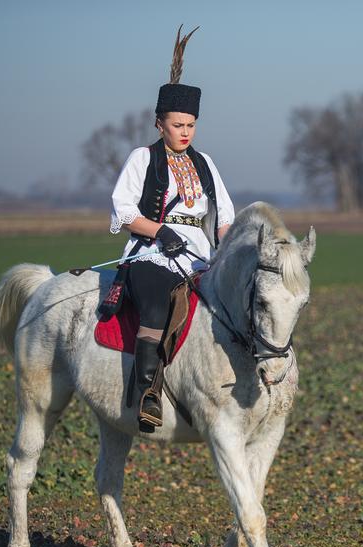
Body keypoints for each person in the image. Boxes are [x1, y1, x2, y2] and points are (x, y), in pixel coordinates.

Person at [109, 26, 234, 433]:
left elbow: (224, 216)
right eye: (177, 124)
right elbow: (123, 210)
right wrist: (159, 231)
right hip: (151, 256)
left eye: (191, 125)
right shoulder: (141, 158)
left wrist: (229, 248)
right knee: (158, 303)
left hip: (201, 260)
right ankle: (147, 393)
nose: (185, 132)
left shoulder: (207, 164)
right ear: (158, 122)